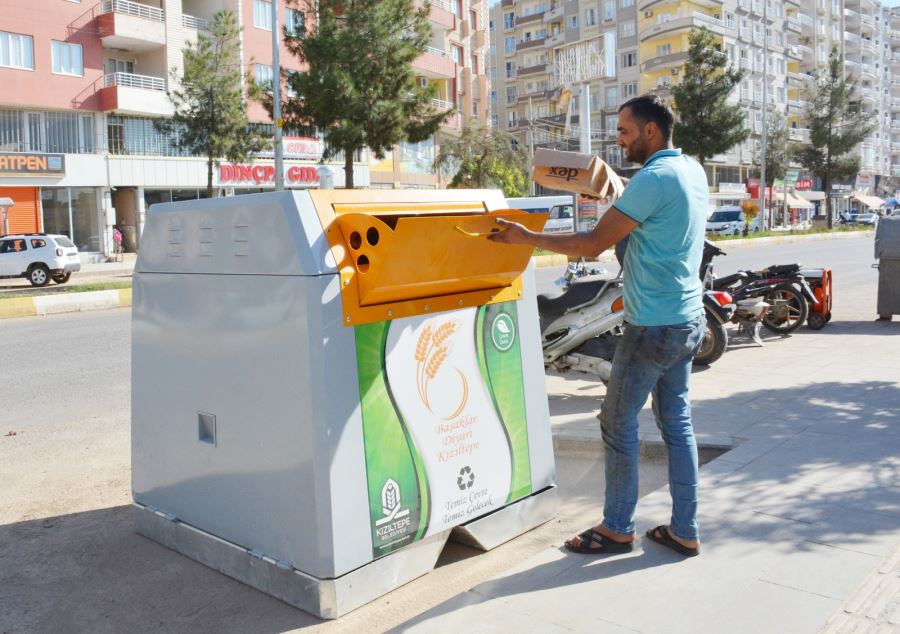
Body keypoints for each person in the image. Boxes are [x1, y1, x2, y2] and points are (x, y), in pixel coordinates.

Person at [490, 95, 708, 557]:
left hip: (651, 327)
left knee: (617, 421)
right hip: (688, 319)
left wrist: (526, 237)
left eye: (625, 131)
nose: (619, 139)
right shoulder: (689, 169)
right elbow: (653, 204)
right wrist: (620, 187)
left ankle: (616, 527)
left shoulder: (652, 180)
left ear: (651, 131)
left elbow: (590, 245)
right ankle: (685, 528)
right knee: (678, 423)